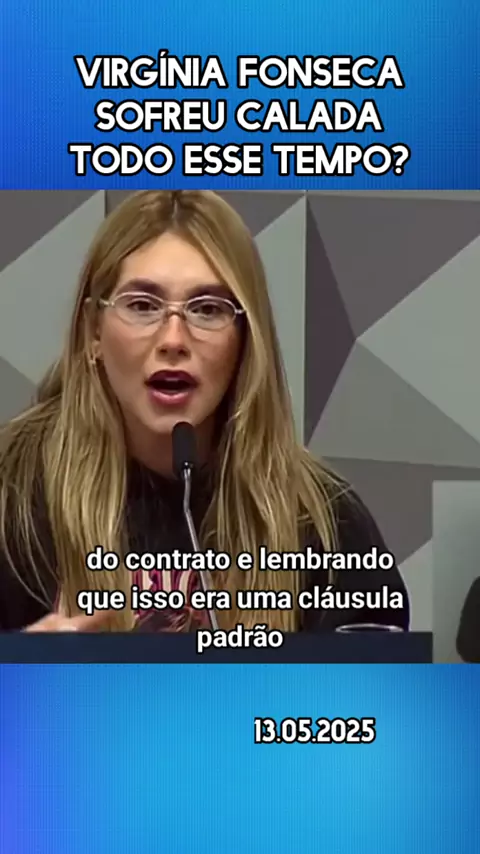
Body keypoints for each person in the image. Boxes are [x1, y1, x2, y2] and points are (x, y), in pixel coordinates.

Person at [0, 190, 409, 634]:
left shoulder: (322, 520)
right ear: (91, 333)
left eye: (208, 309)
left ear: (246, 339)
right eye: (142, 306)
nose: (173, 339)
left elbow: (376, 674)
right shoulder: (11, 490)